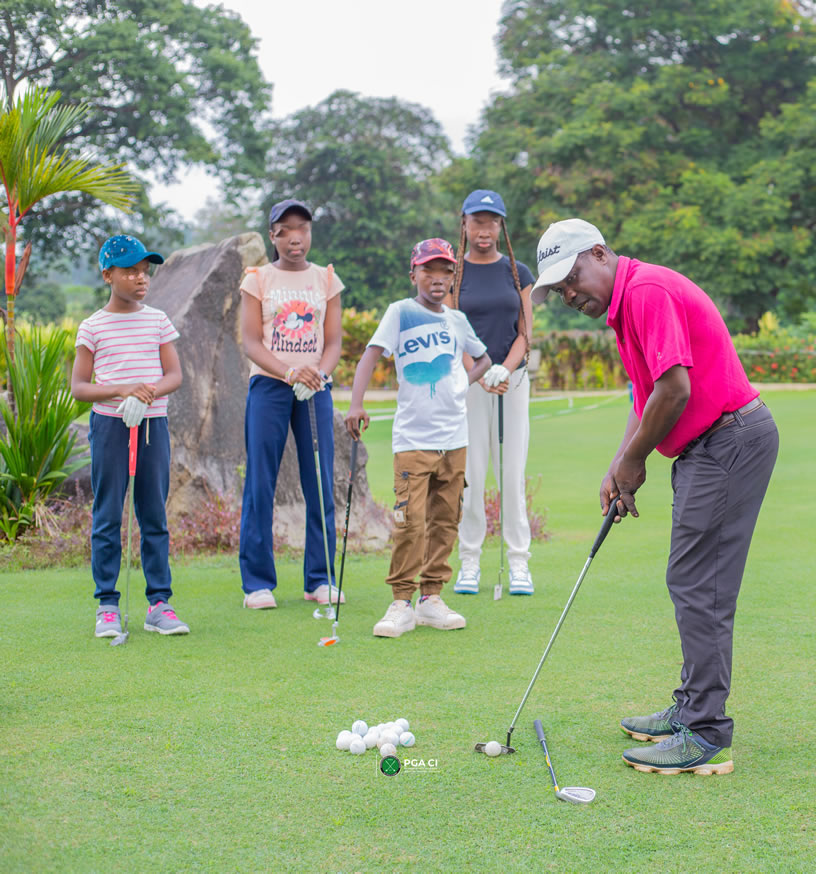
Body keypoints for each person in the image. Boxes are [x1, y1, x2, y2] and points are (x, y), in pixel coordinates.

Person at [531, 218, 778, 775]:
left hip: (728, 439)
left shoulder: (646, 292)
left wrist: (635, 460)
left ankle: (706, 731)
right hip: (710, 445)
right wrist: (619, 465)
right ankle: (693, 707)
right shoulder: (625, 307)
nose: (568, 295)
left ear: (599, 253)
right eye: (559, 290)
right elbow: (645, 397)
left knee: (700, 584)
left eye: (571, 278)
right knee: (692, 580)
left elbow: (676, 389)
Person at [345, 238, 491, 638]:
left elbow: (484, 358)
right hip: (413, 440)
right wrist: (356, 405)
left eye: (446, 271)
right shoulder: (401, 312)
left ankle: (431, 598)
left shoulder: (457, 321)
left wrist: (465, 382)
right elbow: (370, 356)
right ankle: (401, 602)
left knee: (446, 520)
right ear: (414, 274)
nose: (438, 279)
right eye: (429, 270)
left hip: (454, 438)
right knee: (409, 522)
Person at [71, 234, 188, 637]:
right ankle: (107, 604)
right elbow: (80, 388)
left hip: (153, 425)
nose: (141, 278)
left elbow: (174, 375)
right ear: (108, 275)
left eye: (145, 270)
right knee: (107, 515)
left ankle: (159, 604)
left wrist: (147, 391)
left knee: (153, 514)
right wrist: (122, 390)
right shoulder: (93, 327)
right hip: (109, 426)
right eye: (130, 271)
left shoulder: (157, 320)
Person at [238, 198, 344, 610]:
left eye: (303, 228)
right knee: (261, 480)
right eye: (286, 230)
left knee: (319, 480)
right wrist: (288, 372)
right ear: (273, 235)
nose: (295, 236)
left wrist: (317, 373)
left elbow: (333, 341)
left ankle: (319, 579)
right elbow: (251, 341)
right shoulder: (258, 279)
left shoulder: (326, 279)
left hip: (316, 388)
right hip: (269, 386)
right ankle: (258, 583)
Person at [448, 189, 536, 596]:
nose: (484, 230)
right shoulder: (454, 274)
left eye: (492, 222)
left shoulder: (517, 272)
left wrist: (506, 367)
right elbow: (452, 334)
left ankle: (519, 563)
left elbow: (525, 334)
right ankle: (469, 561)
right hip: (469, 384)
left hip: (512, 382)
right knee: (472, 473)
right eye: (477, 221)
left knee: (511, 473)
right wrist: (480, 373)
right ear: (464, 224)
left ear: (501, 226)